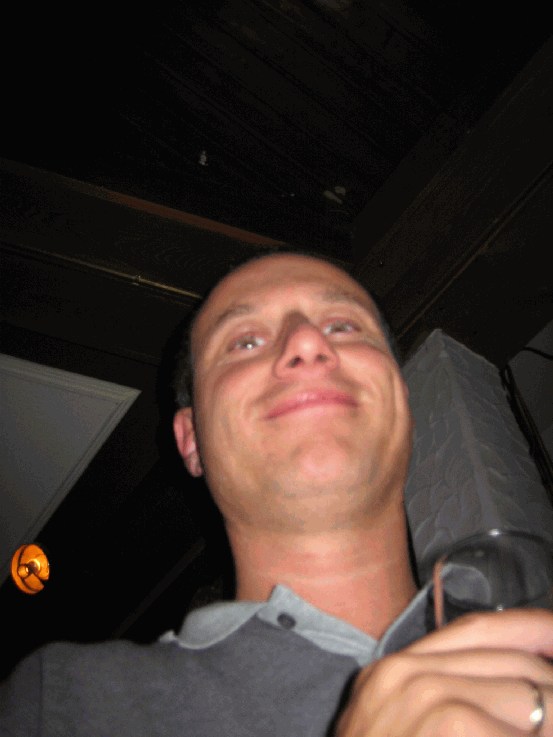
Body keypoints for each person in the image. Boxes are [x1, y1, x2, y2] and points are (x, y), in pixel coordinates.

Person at [1, 251, 551, 736]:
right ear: (191, 439)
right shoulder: (66, 702)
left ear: (402, 400)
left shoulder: (533, 638)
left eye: (343, 326)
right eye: (245, 342)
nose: (307, 342)